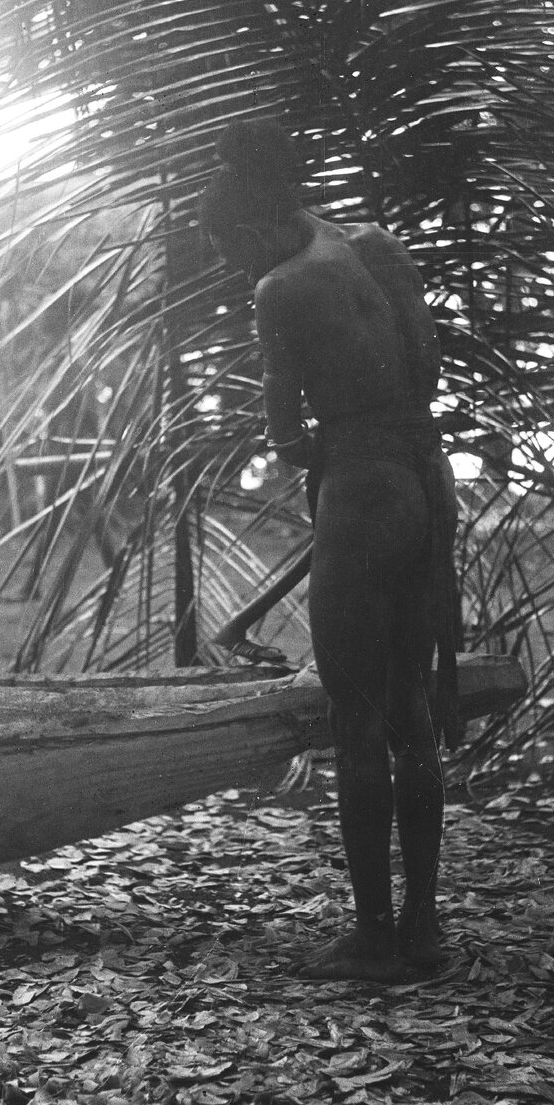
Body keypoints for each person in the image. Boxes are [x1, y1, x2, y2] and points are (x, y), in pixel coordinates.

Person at [200, 120, 461, 983]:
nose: (240, 271)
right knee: (412, 710)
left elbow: (283, 433)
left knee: (354, 716)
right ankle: (423, 929)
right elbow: (425, 366)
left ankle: (374, 937)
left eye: (234, 254)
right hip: (426, 480)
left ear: (247, 231)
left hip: (361, 488)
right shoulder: (378, 246)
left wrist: (328, 449)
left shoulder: (277, 290)